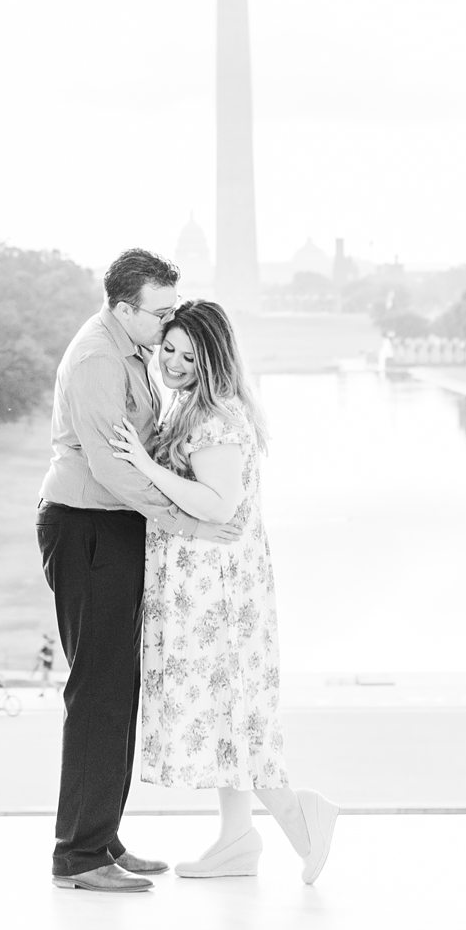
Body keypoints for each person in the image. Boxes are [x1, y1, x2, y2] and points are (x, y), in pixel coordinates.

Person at [110, 298, 338, 884]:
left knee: (236, 711)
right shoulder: (193, 408)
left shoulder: (217, 419)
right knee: (223, 714)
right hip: (204, 586)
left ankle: (299, 816)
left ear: (213, 359)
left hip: (219, 595)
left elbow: (219, 504)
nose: (176, 363)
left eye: (190, 355)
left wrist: (143, 462)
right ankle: (237, 838)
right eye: (170, 349)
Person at [36, 248, 243, 894]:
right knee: (98, 691)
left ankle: (101, 838)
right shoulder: (100, 358)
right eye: (161, 312)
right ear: (124, 307)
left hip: (112, 529)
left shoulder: (128, 350)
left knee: (115, 690)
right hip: (89, 526)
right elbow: (113, 469)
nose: (169, 321)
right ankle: (78, 855)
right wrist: (193, 523)